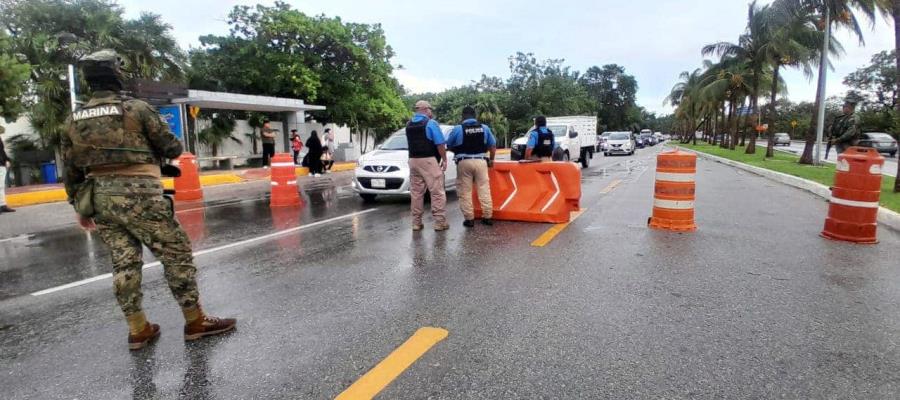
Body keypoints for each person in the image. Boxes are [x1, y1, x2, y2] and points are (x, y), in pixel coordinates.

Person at [61, 50, 235, 351]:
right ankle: (195, 321)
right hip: (140, 193)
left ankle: (138, 329)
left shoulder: (72, 120)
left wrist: (79, 204)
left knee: (124, 262)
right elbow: (171, 147)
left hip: (100, 197)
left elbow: (71, 169)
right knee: (175, 254)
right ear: (116, 74)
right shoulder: (136, 109)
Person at [447, 106, 496, 228]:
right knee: (484, 189)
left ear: (463, 116)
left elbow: (449, 145)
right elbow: (493, 146)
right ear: (475, 116)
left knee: (465, 191)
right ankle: (487, 217)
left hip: (464, 162)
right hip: (481, 161)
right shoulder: (484, 128)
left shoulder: (458, 129)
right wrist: (491, 160)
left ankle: (469, 219)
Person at [407, 100, 449, 231]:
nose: (431, 112)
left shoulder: (408, 125)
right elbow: (440, 143)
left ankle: (416, 223)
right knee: (437, 192)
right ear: (425, 109)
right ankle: (440, 222)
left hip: (413, 160)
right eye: (430, 109)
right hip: (429, 161)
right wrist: (444, 159)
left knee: (416, 193)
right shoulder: (431, 123)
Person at [0, 131, 14, 213]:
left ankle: (2, 205)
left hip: (1, 164)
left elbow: (1, 151)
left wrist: (6, 160)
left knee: (1, 186)